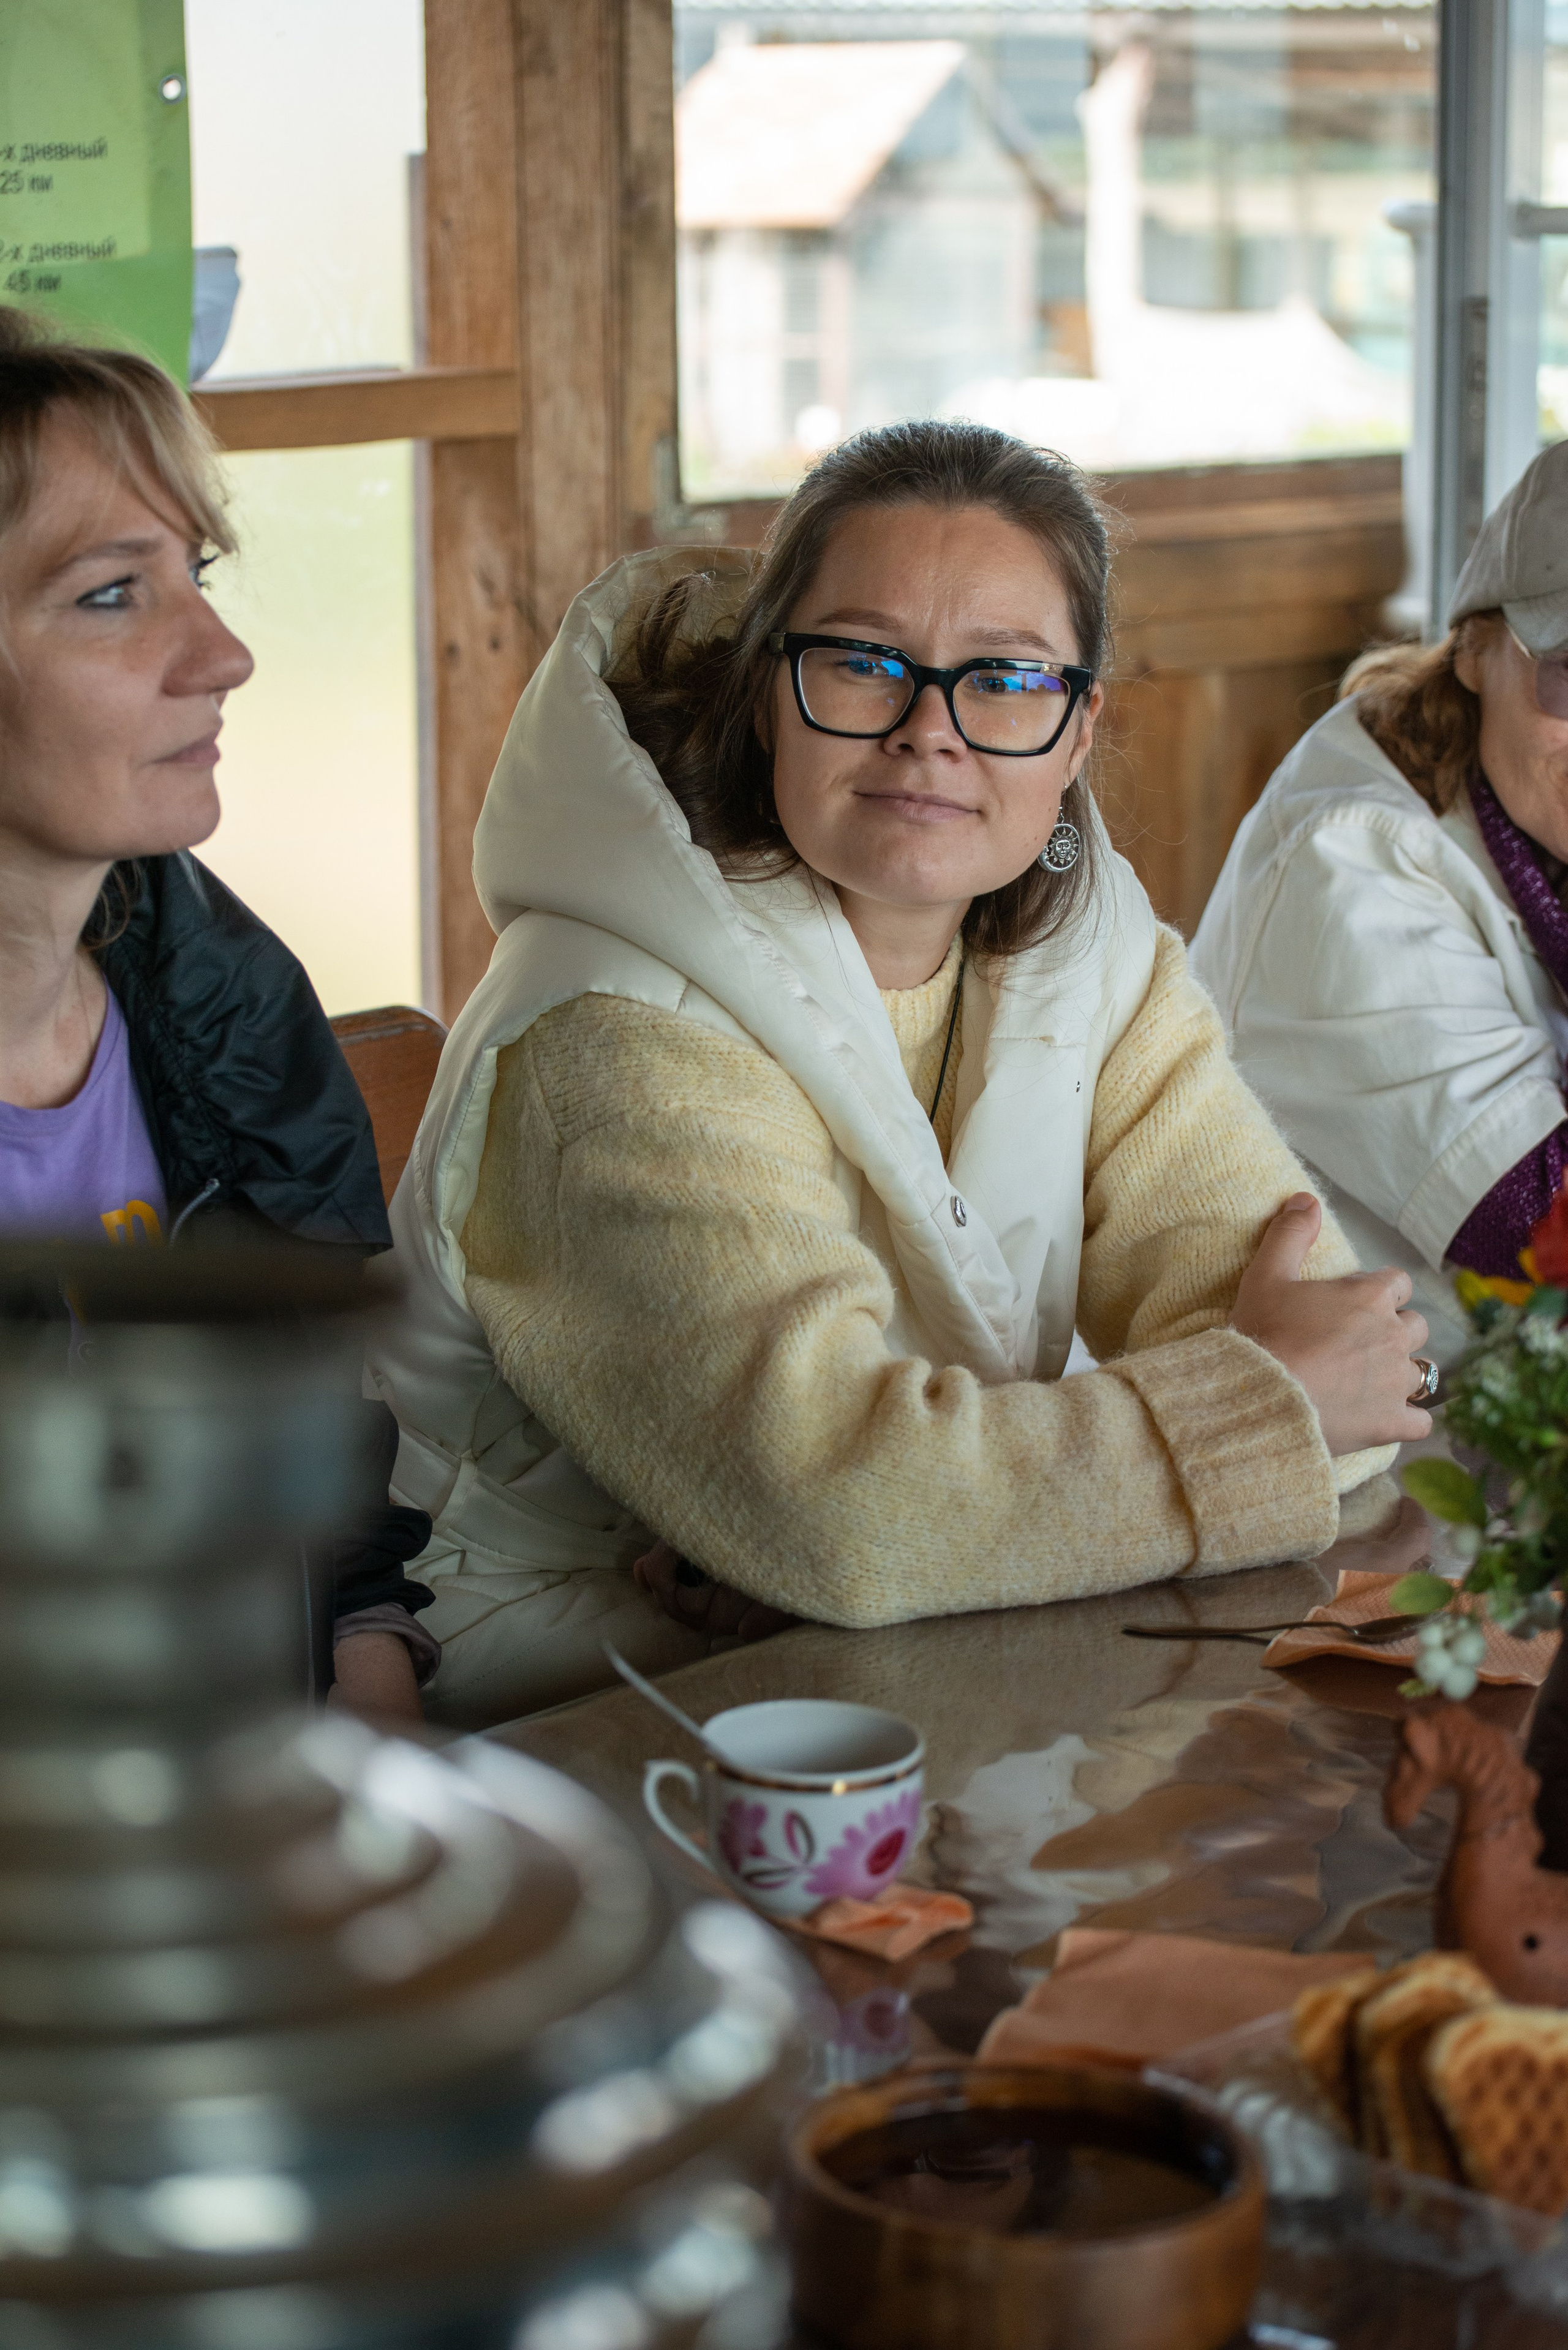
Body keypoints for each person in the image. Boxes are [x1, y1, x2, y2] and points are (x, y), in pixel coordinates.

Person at [370, 420, 1431, 1731]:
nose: (931, 732)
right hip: (561, 1683)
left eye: (1003, 678)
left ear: (1078, 724)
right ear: (767, 688)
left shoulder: (1093, 960)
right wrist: (889, 1537)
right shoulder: (615, 1033)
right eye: (865, 663)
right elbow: (854, 1514)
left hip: (873, 1639)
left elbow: (1351, 1374)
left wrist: (926, 1531)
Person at [0, 304, 437, 1723]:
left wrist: (377, 1742)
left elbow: (328, 1510)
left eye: (199, 573)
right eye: (113, 594)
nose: (225, 652)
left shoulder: (219, 990)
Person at [1192, 440, 1568, 1369]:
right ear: (1477, 645)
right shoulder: (1348, 859)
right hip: (1359, 1463)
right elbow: (1543, 1239)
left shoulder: (1525, 810)